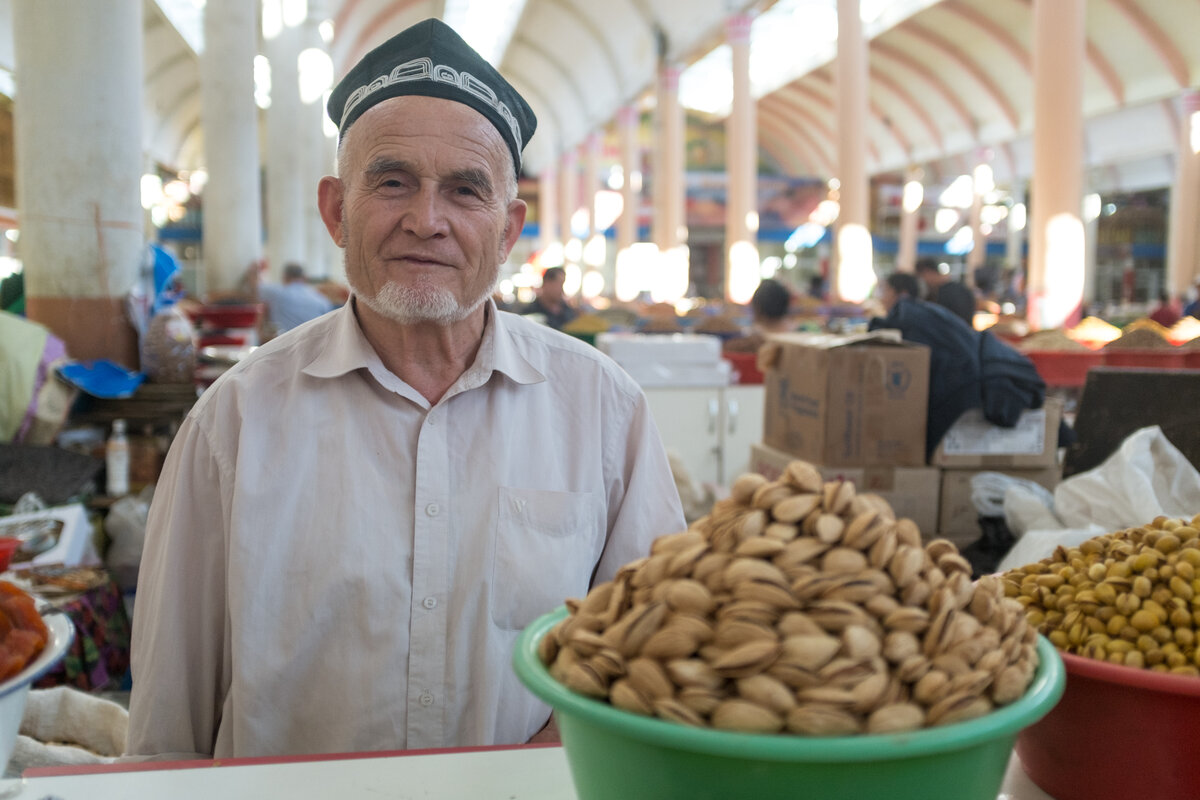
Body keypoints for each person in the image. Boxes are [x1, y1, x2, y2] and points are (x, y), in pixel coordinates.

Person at [127, 18, 685, 761]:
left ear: (508, 229)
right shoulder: (235, 421)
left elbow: (657, 659)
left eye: (465, 190)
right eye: (392, 183)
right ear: (336, 210)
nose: (427, 221)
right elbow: (169, 718)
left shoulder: (604, 412)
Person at [255, 262, 337, 334]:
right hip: (316, 344)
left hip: (285, 343)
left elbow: (255, 287)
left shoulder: (278, 293)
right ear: (304, 277)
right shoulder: (322, 300)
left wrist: (257, 270)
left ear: (284, 277)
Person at [915, 258, 976, 328]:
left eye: (921, 276)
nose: (923, 281)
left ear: (927, 272)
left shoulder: (951, 292)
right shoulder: (957, 289)